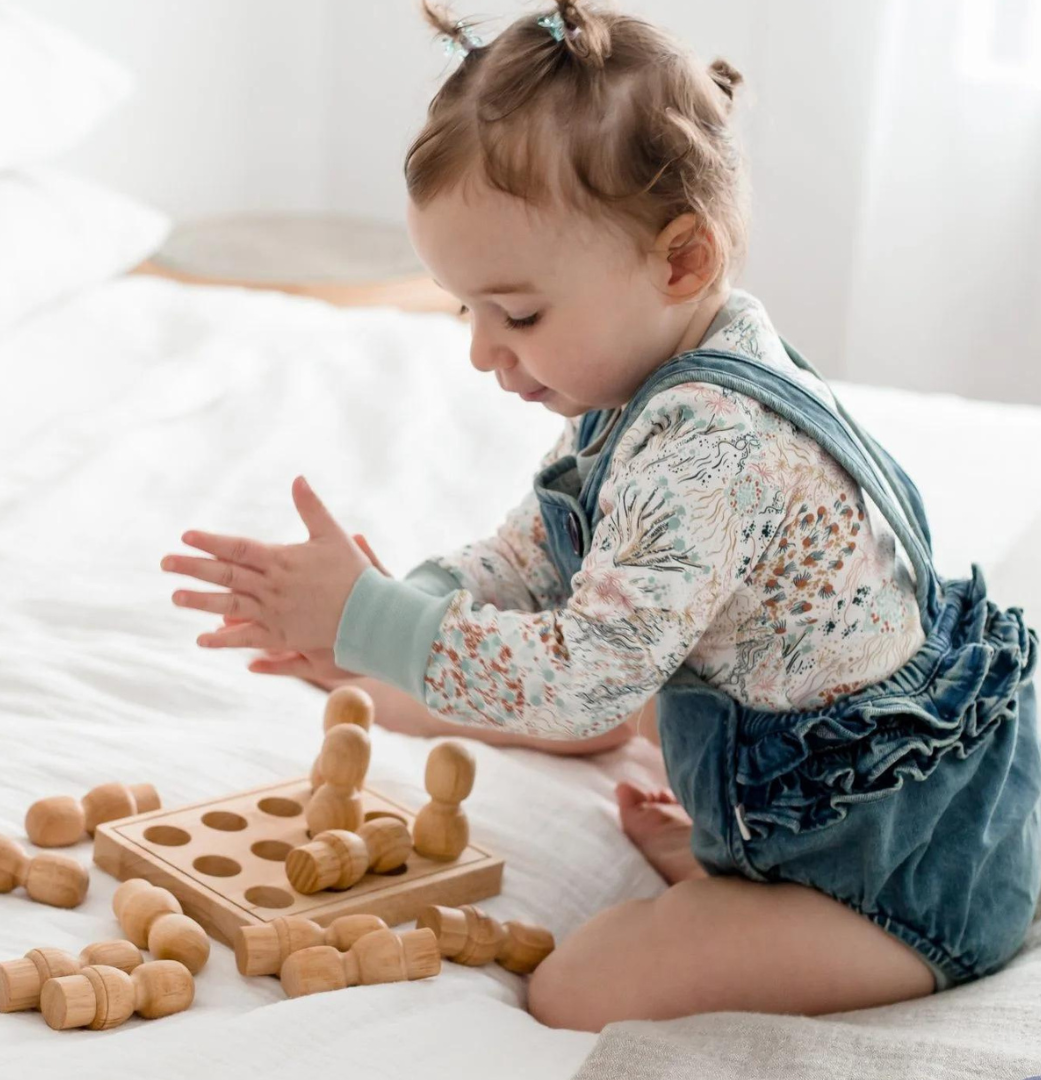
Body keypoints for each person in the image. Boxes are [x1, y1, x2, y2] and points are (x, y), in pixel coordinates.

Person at [160, 0, 1041, 1033]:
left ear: (681, 261)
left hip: (895, 859)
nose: (485, 351)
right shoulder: (655, 376)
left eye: (519, 313)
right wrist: (401, 604)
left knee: (581, 986)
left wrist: (377, 627)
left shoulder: (712, 449)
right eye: (466, 310)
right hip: (806, 754)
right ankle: (747, 850)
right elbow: (535, 554)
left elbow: (584, 684)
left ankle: (821, 905)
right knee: (591, 661)